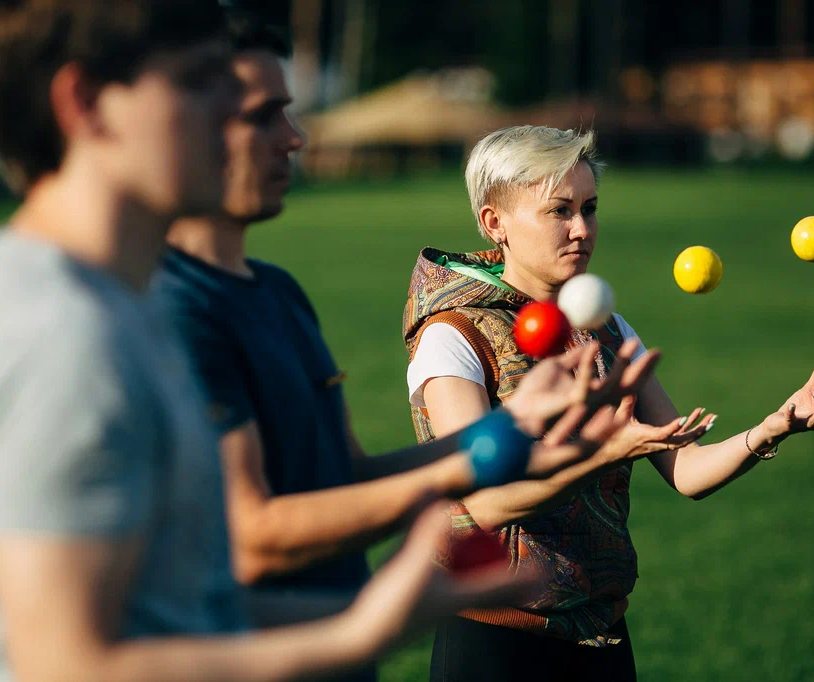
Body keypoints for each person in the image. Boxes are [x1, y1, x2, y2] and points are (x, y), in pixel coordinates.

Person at [0, 6, 607, 682]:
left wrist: (505, 437)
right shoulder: (62, 339)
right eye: (203, 86)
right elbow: (67, 666)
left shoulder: (117, 308)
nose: (280, 134)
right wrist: (355, 632)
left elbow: (178, 608)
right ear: (86, 104)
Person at [150, 10, 673, 661]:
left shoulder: (279, 293)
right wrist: (374, 618)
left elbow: (346, 477)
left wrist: (506, 434)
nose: (294, 137)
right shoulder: (164, 309)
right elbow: (255, 535)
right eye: (263, 113)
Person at [402, 125, 814, 682]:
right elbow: (486, 503)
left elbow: (686, 469)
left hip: (600, 630)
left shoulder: (608, 331)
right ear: (494, 222)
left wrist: (769, 430)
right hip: (492, 638)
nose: (581, 229)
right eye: (559, 211)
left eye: (590, 208)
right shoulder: (453, 335)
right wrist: (599, 457)